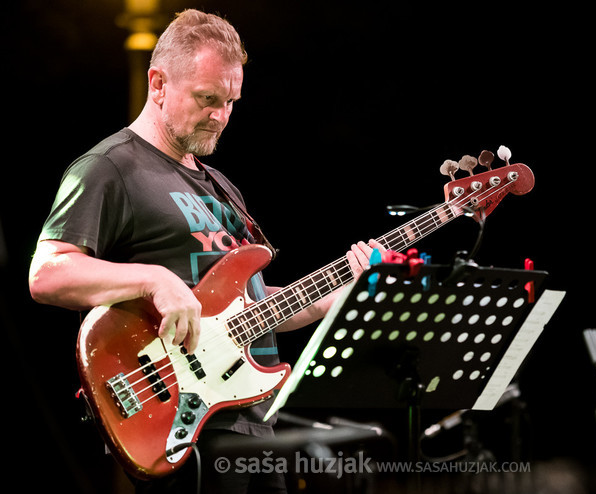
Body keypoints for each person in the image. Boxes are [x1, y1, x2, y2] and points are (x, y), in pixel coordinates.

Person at [28, 9, 383, 493]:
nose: (220, 115)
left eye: (230, 101)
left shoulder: (221, 188)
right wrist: (154, 279)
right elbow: (47, 274)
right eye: (206, 98)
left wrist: (333, 297)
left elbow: (250, 308)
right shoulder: (108, 168)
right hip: (186, 426)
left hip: (254, 420)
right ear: (157, 83)